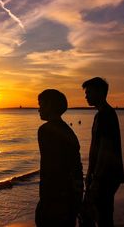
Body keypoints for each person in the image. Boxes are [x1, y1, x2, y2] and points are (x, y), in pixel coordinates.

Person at [80, 77, 124, 227]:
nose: (86, 96)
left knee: (101, 216)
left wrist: (96, 179)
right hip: (103, 175)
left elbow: (105, 149)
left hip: (106, 176)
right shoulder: (100, 115)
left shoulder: (106, 115)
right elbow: (96, 147)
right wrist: (89, 174)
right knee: (99, 215)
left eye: (89, 92)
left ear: (100, 92)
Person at [35, 89, 84, 227]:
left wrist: (45, 201)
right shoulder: (69, 132)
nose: (39, 110)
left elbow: (50, 167)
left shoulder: (45, 130)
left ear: (49, 105)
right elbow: (76, 167)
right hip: (70, 195)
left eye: (41, 105)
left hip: (55, 196)